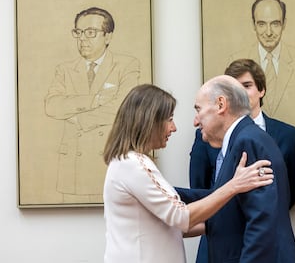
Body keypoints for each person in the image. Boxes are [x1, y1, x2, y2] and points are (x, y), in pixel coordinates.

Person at [102, 84, 274, 263]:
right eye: (169, 119)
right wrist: (234, 185)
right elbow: (180, 216)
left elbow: (172, 226)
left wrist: (229, 220)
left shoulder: (128, 163)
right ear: (149, 120)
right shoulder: (132, 164)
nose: (173, 128)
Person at [189, 58, 295, 263]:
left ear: (221, 104)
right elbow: (220, 195)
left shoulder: (247, 142)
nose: (196, 120)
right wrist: (163, 191)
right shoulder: (245, 137)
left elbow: (261, 222)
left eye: (198, 109)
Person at [229, 0, 295, 196]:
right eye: (262, 24)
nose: (269, 32)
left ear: (284, 24)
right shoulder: (236, 58)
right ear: (254, 25)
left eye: (275, 23)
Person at [44, 7, 140, 203]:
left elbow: (122, 108)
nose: (82, 39)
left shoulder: (127, 65)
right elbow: (52, 106)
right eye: (78, 33)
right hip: (72, 164)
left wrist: (79, 118)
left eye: (90, 32)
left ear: (108, 36)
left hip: (107, 160)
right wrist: (95, 99)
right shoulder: (64, 69)